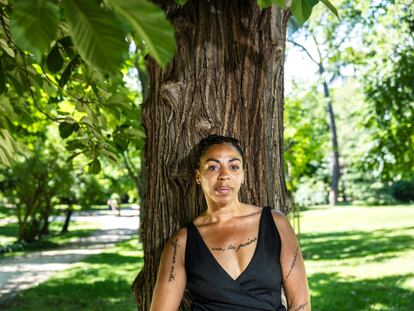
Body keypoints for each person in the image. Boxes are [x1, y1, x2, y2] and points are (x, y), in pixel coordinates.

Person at [150, 135, 310, 311]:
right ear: (198, 176)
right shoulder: (181, 243)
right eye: (213, 167)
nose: (224, 175)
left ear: (242, 175)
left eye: (234, 167)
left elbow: (300, 305)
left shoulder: (276, 224)